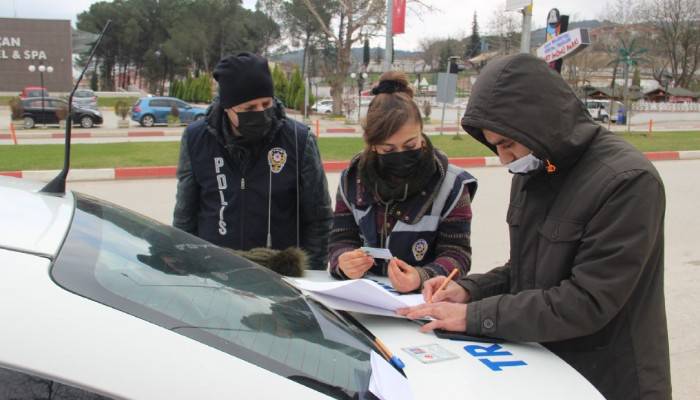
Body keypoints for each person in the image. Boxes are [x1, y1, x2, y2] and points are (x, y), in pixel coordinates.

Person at [399, 54, 671, 399]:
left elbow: (586, 300)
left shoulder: (627, 181)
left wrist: (472, 315)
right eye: (495, 146)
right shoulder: (535, 169)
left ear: (537, 124)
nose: (504, 159)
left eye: (508, 144)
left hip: (610, 380)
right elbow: (527, 270)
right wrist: (469, 290)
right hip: (546, 367)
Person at [173, 52, 332, 270]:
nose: (261, 113)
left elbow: (319, 218)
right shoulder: (195, 138)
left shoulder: (299, 139)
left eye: (266, 103)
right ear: (227, 106)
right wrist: (184, 263)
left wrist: (311, 274)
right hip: (215, 270)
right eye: (249, 108)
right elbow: (184, 216)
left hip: (279, 277)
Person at [328, 71, 477, 293]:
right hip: (362, 300)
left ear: (421, 133)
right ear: (372, 145)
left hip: (422, 304)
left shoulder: (452, 184)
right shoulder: (351, 180)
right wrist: (343, 262)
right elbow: (339, 239)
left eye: (410, 145)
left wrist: (421, 276)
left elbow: (458, 254)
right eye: (388, 149)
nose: (400, 154)